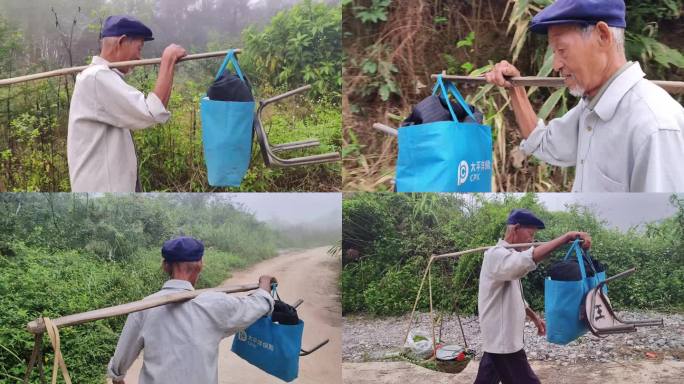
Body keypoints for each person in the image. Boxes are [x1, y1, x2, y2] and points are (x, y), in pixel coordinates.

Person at [484, 0, 684, 192]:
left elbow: (664, 221)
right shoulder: (592, 107)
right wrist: (516, 88)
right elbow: (543, 143)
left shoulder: (655, 126)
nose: (555, 65)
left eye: (562, 50)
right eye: (554, 52)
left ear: (603, 36)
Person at [107, 236, 275, 384]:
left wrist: (118, 378)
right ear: (200, 266)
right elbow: (257, 305)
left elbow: (118, 367)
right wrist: (265, 285)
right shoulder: (216, 303)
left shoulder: (145, 307)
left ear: (165, 267)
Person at [67, 15, 187, 192]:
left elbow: (155, 111)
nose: (139, 58)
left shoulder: (100, 76)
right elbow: (152, 111)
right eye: (139, 48)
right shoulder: (96, 77)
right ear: (121, 42)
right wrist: (168, 60)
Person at [475, 209, 592, 384]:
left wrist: (535, 317)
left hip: (497, 340)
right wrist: (565, 238)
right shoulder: (495, 255)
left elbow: (516, 298)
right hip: (503, 341)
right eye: (530, 233)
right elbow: (526, 260)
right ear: (515, 229)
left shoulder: (508, 257)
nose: (532, 239)